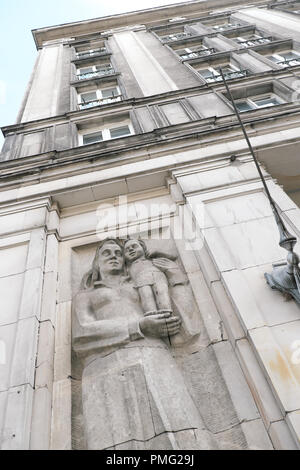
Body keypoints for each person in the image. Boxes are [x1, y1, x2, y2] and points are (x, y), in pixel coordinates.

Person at [72, 238, 217, 450]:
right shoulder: (86, 296)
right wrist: (138, 326)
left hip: (155, 356)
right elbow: (82, 333)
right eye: (107, 253)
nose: (114, 256)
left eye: (118, 253)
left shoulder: (140, 283)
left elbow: (182, 323)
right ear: (96, 264)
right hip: (106, 367)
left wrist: (175, 278)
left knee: (184, 430)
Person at [124, 238, 173, 317]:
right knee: (146, 295)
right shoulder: (128, 268)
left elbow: (173, 256)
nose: (131, 249)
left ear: (143, 248)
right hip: (141, 280)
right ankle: (152, 315)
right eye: (127, 249)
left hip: (158, 276)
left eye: (134, 246)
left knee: (162, 292)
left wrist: (158, 252)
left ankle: (167, 313)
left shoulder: (152, 259)